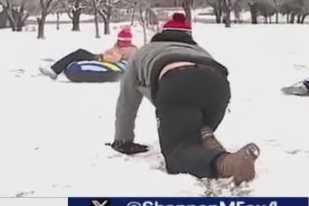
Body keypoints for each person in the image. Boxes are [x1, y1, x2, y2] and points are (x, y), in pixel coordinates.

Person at [109, 13, 259, 184]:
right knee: (192, 128)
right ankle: (205, 135)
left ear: (161, 34)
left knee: (178, 152)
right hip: (218, 85)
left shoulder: (143, 52)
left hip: (177, 81)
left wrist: (123, 140)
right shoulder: (199, 50)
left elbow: (127, 102)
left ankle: (227, 164)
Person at [42, 27, 139, 80]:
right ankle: (60, 67)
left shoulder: (124, 49)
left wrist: (101, 57)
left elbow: (115, 58)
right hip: (102, 59)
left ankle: (55, 70)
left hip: (102, 59)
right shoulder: (130, 48)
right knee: (79, 54)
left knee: (80, 53)